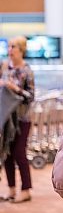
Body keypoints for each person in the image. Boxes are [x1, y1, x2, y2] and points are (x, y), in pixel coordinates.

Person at [0, 36, 35, 203]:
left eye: (13, 46)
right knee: (6, 153)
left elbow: (31, 96)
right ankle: (11, 189)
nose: (10, 50)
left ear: (21, 50)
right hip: (7, 119)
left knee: (19, 153)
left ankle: (26, 189)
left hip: (23, 118)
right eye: (9, 46)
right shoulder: (6, 68)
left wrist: (16, 89)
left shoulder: (27, 71)